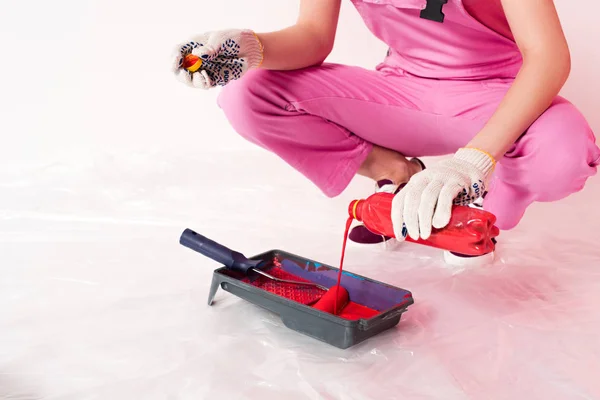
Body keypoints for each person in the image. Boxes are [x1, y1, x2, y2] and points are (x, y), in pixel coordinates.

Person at [172, 0, 600, 263]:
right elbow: (312, 38)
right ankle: (397, 173)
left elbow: (548, 57)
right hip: (403, 92)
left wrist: (474, 160)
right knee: (248, 94)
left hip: (496, 95)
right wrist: (252, 47)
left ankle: (473, 216)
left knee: (563, 152)